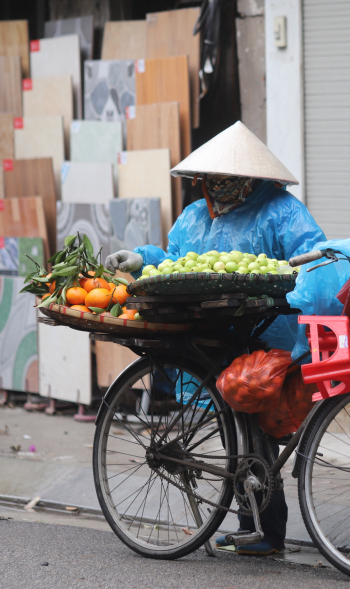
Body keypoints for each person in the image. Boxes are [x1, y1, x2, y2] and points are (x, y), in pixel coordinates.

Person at [105, 121, 326, 556]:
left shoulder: (282, 211)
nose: (219, 188)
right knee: (238, 433)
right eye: (212, 181)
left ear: (250, 178)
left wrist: (290, 278)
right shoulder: (193, 217)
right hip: (212, 335)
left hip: (266, 335)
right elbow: (172, 262)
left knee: (260, 427)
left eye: (228, 180)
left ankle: (264, 529)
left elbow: (311, 256)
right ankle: (257, 528)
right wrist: (142, 259)